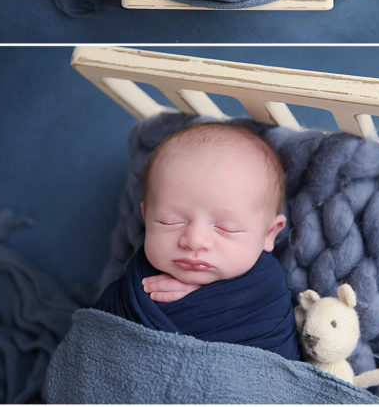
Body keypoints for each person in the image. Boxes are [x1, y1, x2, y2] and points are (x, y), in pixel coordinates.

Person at [95, 121, 300, 360]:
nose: (194, 240)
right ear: (146, 216)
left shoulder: (265, 291)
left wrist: (209, 299)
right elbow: (97, 339)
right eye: (170, 221)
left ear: (269, 234)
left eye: (226, 227)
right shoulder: (132, 289)